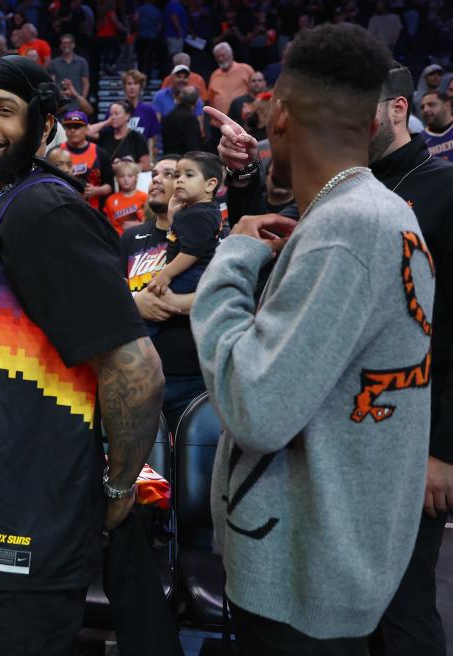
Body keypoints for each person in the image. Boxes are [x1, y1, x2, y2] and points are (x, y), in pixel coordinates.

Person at [192, 24, 433, 653]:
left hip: (301, 577)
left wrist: (233, 259)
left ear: (277, 116)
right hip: (330, 557)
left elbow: (254, 408)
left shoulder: (343, 231)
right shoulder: (385, 213)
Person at [0, 54, 165, 656]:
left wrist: (118, 491)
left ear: (43, 127)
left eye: (4, 111)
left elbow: (135, 370)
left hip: (25, 529)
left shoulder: (46, 213)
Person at [363, 63, 453, 656]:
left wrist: (443, 452)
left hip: (417, 438)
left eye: (358, 108)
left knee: (401, 604)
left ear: (398, 108)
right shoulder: (349, 185)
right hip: (354, 430)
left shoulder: (443, 188)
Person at [122, 155, 205, 430]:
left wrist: (174, 304)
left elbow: (220, 296)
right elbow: (108, 291)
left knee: (190, 467)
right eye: (155, 173)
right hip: (135, 374)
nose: (157, 179)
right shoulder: (130, 237)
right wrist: (136, 301)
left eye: (169, 174)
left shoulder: (208, 236)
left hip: (191, 377)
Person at [145, 151, 222, 303]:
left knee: (153, 301)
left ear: (210, 184)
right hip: (191, 273)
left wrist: (165, 274)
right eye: (177, 175)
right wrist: (173, 219)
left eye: (189, 175)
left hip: (193, 275)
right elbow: (178, 241)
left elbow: (190, 253)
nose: (180, 180)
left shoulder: (199, 214)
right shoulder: (197, 211)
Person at [60, 110, 113, 209]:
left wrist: (96, 190)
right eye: (69, 127)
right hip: (64, 208)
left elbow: (110, 186)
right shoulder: (56, 153)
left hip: (93, 210)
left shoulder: (100, 153)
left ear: (87, 129)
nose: (72, 130)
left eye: (77, 127)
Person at [94, 101, 150, 170]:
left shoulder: (137, 138)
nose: (113, 117)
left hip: (129, 178)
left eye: (116, 114)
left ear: (127, 116)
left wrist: (123, 167)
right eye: (111, 114)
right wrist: (107, 122)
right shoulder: (106, 135)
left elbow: (146, 165)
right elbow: (87, 132)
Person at [102, 157, 148, 234]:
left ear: (136, 177)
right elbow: (107, 226)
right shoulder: (110, 200)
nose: (126, 179)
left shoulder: (144, 197)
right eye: (122, 176)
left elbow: (152, 222)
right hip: (118, 240)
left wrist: (139, 225)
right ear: (116, 179)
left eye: (130, 176)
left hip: (139, 237)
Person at [49, 34, 89, 112]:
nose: (66, 45)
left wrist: (82, 100)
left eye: (69, 43)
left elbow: (86, 84)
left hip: (77, 105)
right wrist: (58, 96)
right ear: (60, 46)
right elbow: (52, 84)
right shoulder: (54, 63)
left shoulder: (82, 62)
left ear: (73, 45)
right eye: (64, 43)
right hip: (60, 105)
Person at [162, 86, 203, 154]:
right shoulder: (190, 119)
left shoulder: (168, 116)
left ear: (179, 99)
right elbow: (193, 146)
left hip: (169, 158)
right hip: (184, 160)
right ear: (196, 102)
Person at [420, 91, 453, 162]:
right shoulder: (420, 141)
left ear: (447, 105)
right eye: (422, 107)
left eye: (431, 104)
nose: (425, 110)